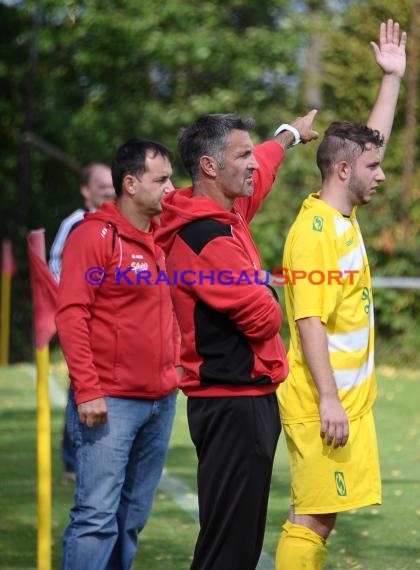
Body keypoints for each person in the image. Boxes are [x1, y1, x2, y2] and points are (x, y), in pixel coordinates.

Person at [156, 110, 319, 570]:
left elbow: (263, 170)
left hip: (241, 398)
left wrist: (287, 136)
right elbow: (265, 316)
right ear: (210, 166)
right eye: (240, 154)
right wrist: (264, 287)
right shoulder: (207, 234)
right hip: (234, 403)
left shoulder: (224, 211)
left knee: (237, 541)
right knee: (228, 549)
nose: (252, 163)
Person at [275, 20, 407, 570]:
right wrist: (329, 398)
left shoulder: (342, 214)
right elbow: (309, 322)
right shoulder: (314, 233)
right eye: (373, 169)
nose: (381, 176)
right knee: (311, 517)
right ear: (344, 171)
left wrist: (391, 80)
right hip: (319, 403)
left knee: (322, 519)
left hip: (346, 404)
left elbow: (368, 145)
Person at [56, 139, 180, 570]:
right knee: (96, 517)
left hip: (161, 401)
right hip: (110, 403)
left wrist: (285, 139)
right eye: (161, 179)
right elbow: (71, 314)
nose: (171, 188)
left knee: (131, 519)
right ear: (130, 183)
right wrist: (87, 390)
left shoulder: (160, 236)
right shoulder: (94, 235)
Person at [50, 163, 115, 483]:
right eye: (100, 185)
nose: (108, 189)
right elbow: (56, 265)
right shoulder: (75, 224)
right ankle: (73, 462)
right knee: (82, 388)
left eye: (110, 183)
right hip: (83, 322)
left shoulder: (118, 223)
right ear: (85, 190)